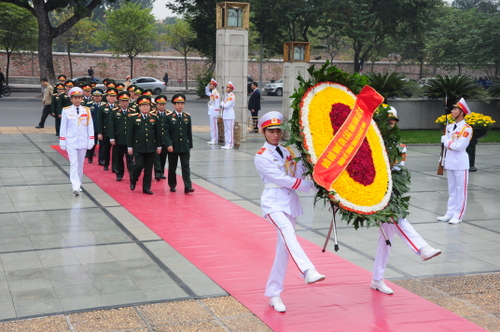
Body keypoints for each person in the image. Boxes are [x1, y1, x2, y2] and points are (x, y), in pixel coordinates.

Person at [254, 111, 325, 313]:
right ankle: (307, 270)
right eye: (271, 131)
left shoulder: (286, 151)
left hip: (290, 204)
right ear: (263, 132)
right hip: (274, 204)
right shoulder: (261, 157)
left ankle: (273, 293)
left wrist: (311, 158)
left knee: (283, 250)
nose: (276, 134)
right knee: (288, 232)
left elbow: (298, 170)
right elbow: (282, 179)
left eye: (278, 131)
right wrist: (308, 186)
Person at [371, 106, 442, 296]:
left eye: (393, 122)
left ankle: (377, 279)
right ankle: (421, 248)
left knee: (387, 239)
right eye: (388, 122)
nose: (391, 125)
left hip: (390, 191)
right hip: (374, 193)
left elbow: (397, 169)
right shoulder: (371, 142)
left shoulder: (400, 146)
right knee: (396, 218)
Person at [438, 98, 473, 225]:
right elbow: (447, 147)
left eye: (455, 109)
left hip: (460, 163)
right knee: (451, 189)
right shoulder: (450, 126)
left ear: (461, 112)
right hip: (450, 162)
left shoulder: (466, 129)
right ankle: (449, 212)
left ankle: (458, 215)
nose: (452, 111)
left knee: (460, 190)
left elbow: (458, 146)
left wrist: (446, 141)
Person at [59, 87, 94, 196]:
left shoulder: (86, 110)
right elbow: (63, 127)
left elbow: (90, 127)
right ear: (71, 99)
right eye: (75, 98)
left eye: (79, 98)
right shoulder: (66, 110)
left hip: (83, 141)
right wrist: (62, 141)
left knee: (80, 164)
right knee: (73, 163)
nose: (77, 100)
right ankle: (75, 186)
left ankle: (79, 183)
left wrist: (91, 140)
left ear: (82, 99)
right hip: (71, 141)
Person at [127, 95, 162, 195]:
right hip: (138, 147)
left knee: (148, 169)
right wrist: (130, 146)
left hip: (151, 147)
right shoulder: (134, 118)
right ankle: (133, 179)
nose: (145, 107)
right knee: (138, 166)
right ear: (139, 107)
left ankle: (146, 187)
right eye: (143, 105)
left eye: (147, 105)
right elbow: (130, 134)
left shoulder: (154, 118)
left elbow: (158, 133)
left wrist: (159, 146)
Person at [164, 93, 194, 194]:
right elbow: (166, 133)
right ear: (174, 105)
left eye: (182, 103)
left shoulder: (187, 116)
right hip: (173, 146)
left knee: (186, 166)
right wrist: (168, 144)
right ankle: (172, 184)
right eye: (178, 103)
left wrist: (190, 145)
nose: (180, 105)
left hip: (184, 146)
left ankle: (188, 186)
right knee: (172, 167)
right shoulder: (168, 117)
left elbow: (189, 132)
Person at [110, 91, 136, 182]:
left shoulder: (133, 111)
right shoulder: (114, 112)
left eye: (126, 101)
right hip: (119, 139)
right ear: (119, 102)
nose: (125, 103)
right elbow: (111, 125)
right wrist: (112, 137)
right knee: (119, 157)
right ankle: (119, 174)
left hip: (129, 140)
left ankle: (132, 175)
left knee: (130, 158)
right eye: (123, 101)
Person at [97, 88, 118, 171]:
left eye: (114, 96)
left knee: (116, 151)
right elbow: (100, 121)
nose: (112, 98)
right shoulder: (102, 107)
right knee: (106, 149)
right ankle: (106, 163)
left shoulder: (118, 107)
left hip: (116, 132)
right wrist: (100, 133)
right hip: (106, 132)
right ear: (107, 97)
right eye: (110, 96)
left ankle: (115, 167)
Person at [153, 95, 170, 180]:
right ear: (156, 105)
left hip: (164, 140)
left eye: (163, 104)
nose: (162, 106)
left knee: (163, 157)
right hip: (156, 140)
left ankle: (161, 171)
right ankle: (157, 172)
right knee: (156, 157)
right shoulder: (153, 115)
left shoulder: (168, 114)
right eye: (160, 104)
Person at [85, 88, 103, 163]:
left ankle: (101, 160)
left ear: (101, 97)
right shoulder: (88, 105)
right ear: (92, 97)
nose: (97, 97)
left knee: (102, 145)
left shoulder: (104, 105)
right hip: (92, 127)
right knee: (92, 143)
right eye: (95, 96)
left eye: (99, 96)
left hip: (102, 128)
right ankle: (90, 156)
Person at [220, 81, 236, 149]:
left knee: (230, 130)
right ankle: (227, 143)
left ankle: (230, 143)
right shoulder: (227, 96)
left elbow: (226, 105)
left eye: (227, 87)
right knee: (226, 130)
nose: (226, 88)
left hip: (229, 115)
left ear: (231, 89)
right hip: (225, 114)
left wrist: (222, 104)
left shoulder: (231, 96)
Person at [205, 78, 220, 144]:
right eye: (210, 84)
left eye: (211, 84)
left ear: (214, 85)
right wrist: (207, 86)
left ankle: (214, 139)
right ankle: (213, 138)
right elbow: (207, 92)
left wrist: (216, 112)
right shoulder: (212, 92)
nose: (210, 85)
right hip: (211, 110)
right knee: (212, 125)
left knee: (214, 126)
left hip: (214, 110)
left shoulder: (216, 93)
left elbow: (217, 103)